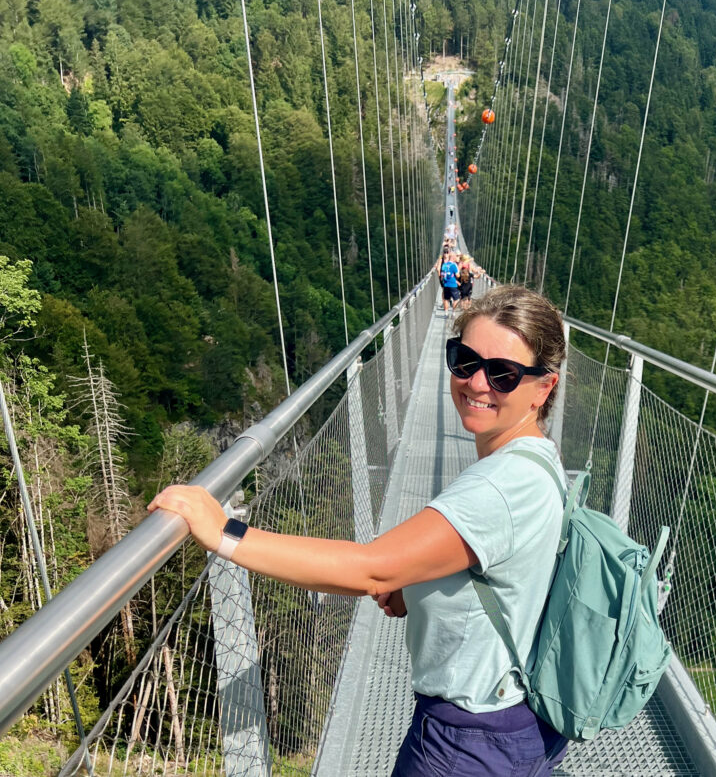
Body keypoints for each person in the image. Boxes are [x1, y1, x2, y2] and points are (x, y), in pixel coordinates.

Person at [148, 285, 570, 777]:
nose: (477, 383)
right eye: (464, 359)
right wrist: (419, 583)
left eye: (503, 373)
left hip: (470, 740)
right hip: (508, 723)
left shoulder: (500, 485)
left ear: (544, 387)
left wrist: (224, 532)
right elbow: (505, 563)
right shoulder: (534, 457)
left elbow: (371, 570)